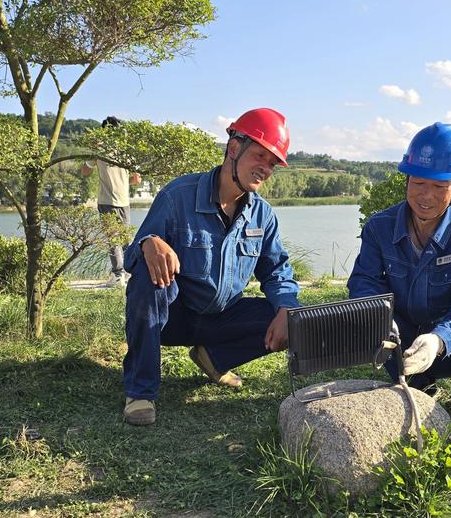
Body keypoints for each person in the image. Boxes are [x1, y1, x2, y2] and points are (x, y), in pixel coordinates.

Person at [121, 108, 301, 425]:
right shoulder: (177, 196)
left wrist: (287, 308)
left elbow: (276, 273)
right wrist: (149, 242)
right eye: (260, 155)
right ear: (234, 148)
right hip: (171, 317)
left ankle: (214, 358)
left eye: (272, 163)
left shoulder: (263, 215)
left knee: (292, 316)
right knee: (146, 281)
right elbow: (133, 257)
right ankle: (140, 391)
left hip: (222, 317)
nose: (265, 168)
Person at [347, 123, 451, 396]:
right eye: (418, 183)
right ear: (406, 179)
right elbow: (363, 282)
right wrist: (380, 317)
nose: (425, 196)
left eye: (438, 186)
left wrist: (439, 339)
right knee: (370, 312)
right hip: (403, 338)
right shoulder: (379, 227)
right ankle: (415, 386)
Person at [81, 116, 142, 288]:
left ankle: (117, 276)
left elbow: (85, 171)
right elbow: (136, 179)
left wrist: (88, 163)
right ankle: (131, 272)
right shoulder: (126, 151)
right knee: (125, 239)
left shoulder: (98, 149)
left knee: (111, 238)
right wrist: (123, 182)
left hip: (106, 200)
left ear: (103, 131)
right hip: (124, 201)